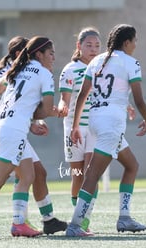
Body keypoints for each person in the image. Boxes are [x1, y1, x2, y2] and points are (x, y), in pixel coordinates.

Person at [0, 36, 60, 239]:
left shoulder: (15, 71)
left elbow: (20, 105)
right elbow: (45, 110)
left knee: (28, 174)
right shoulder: (42, 73)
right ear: (39, 54)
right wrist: (58, 112)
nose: (54, 57)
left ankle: (19, 224)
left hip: (2, 126)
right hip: (12, 131)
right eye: (51, 53)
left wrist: (34, 119)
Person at [65, 24, 146, 237]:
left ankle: (124, 217)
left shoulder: (96, 60)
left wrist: (76, 126)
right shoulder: (131, 62)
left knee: (131, 165)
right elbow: (139, 98)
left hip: (95, 121)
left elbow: (83, 95)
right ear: (127, 42)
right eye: (135, 41)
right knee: (92, 175)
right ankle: (75, 224)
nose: (136, 45)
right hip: (111, 125)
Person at [57, 27, 101, 232]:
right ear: (79, 46)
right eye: (88, 45)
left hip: (94, 128)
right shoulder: (70, 69)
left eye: (97, 46)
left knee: (91, 173)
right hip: (73, 129)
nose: (93, 49)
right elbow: (64, 98)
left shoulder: (101, 68)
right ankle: (77, 216)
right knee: (77, 174)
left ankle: (84, 219)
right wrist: (61, 106)